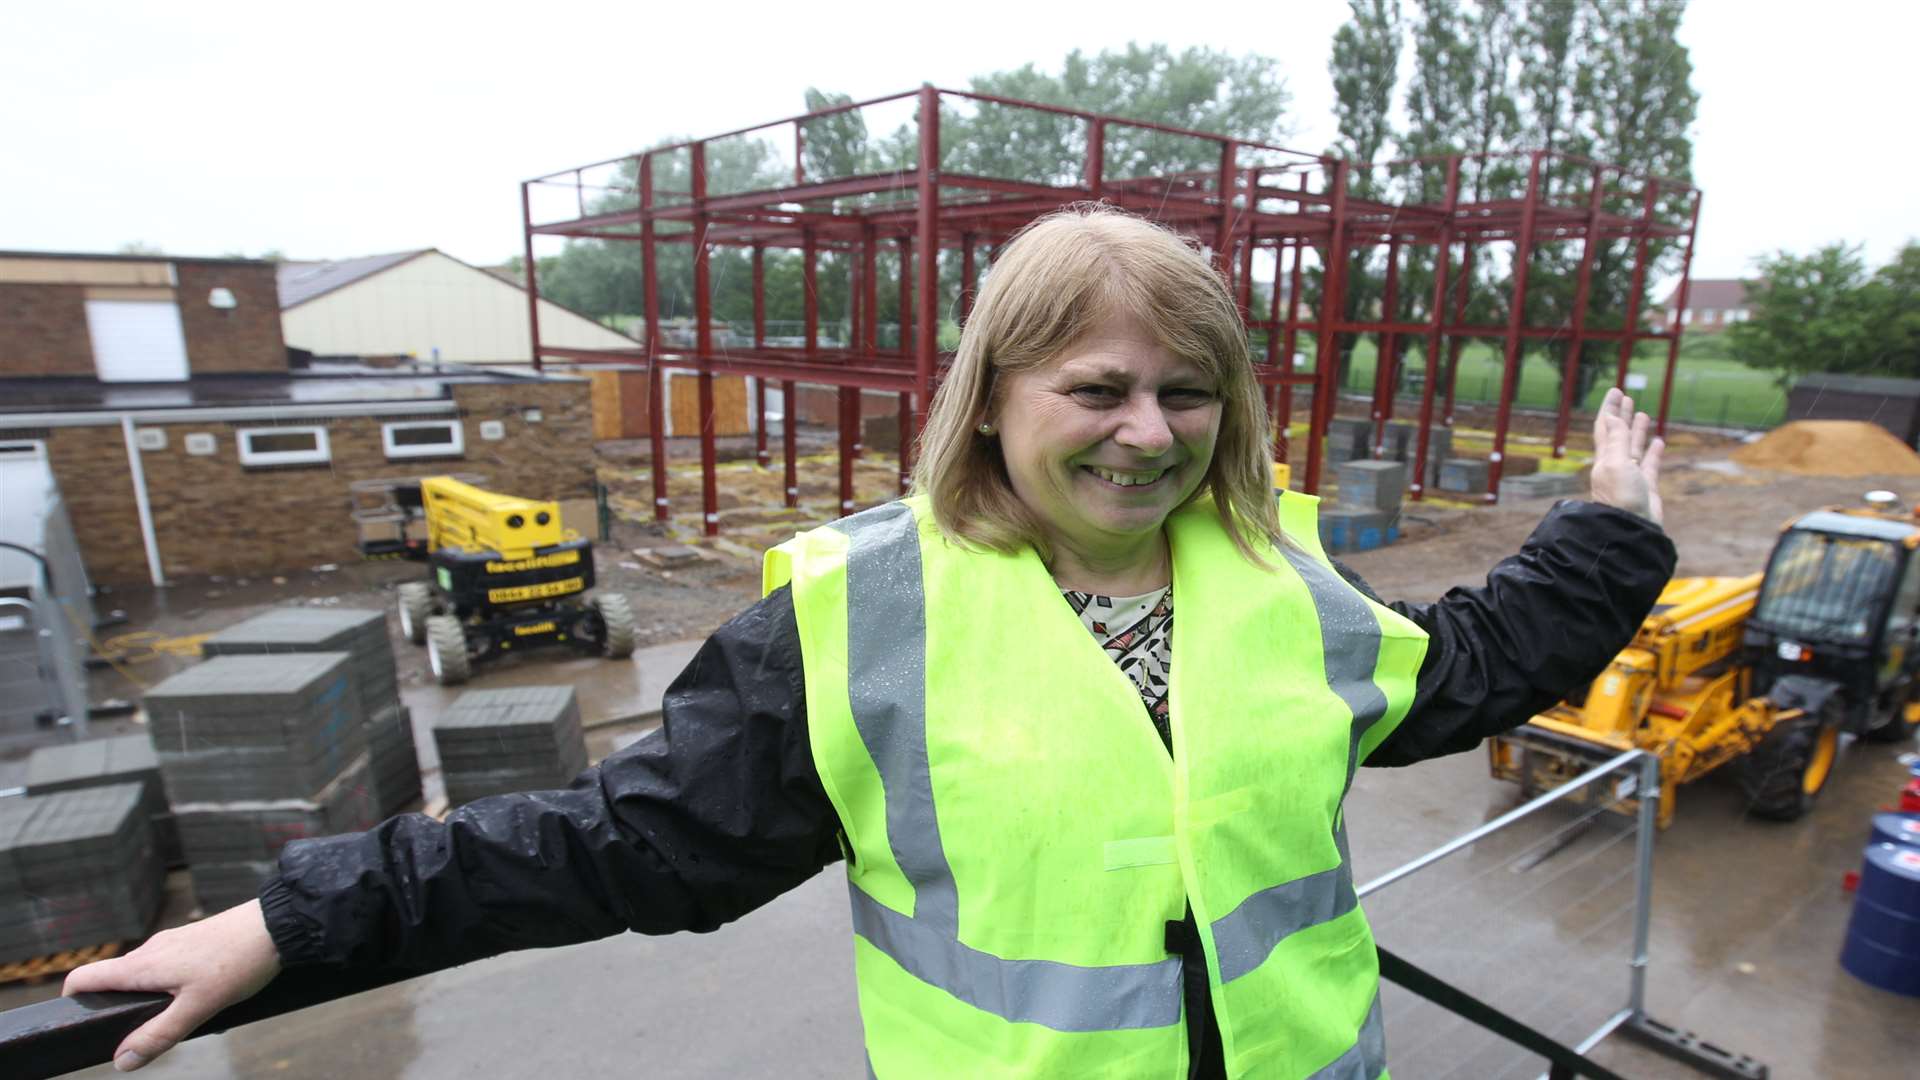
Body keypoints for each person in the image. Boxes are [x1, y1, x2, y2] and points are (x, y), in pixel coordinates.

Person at [68, 206, 1675, 1078]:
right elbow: (615, 843)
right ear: (994, 399)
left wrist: (1612, 523)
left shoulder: (1285, 582)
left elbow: (1474, 661)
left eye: (1186, 392)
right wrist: (298, 920)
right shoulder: (857, 616)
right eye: (1095, 390)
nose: (1145, 431)